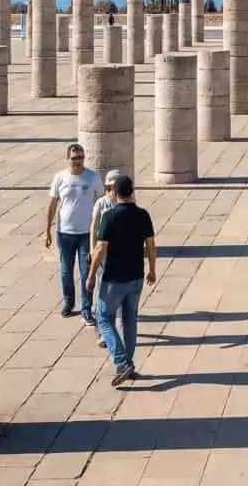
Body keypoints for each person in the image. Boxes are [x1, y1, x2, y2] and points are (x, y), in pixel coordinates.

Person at [87, 174, 157, 386]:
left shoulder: (110, 216)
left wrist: (91, 275)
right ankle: (128, 364)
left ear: (115, 193)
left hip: (114, 279)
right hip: (136, 276)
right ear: (132, 191)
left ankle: (121, 362)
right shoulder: (143, 214)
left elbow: (100, 248)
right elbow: (151, 245)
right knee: (129, 320)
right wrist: (152, 269)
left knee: (104, 318)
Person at [45, 143, 104, 323]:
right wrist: (47, 229)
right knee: (65, 271)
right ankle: (69, 303)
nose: (77, 161)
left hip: (86, 233)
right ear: (68, 159)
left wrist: (101, 229)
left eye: (80, 158)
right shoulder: (60, 178)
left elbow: (101, 201)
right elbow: (53, 204)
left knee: (86, 272)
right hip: (65, 233)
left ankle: (87, 309)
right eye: (74, 158)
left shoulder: (92, 177)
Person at [89, 168, 122, 347]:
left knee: (117, 294)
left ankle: (116, 330)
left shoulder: (125, 202)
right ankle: (101, 333)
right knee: (100, 293)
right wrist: (92, 249)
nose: (113, 190)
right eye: (110, 186)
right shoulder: (101, 203)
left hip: (119, 255)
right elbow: (93, 227)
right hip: (103, 255)